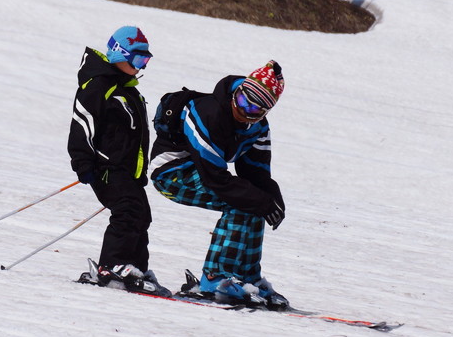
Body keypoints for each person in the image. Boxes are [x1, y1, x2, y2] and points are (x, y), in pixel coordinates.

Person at [149, 61, 290, 310]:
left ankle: (248, 278)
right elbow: (215, 178)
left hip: (204, 172)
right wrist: (259, 199)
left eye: (256, 109)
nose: (245, 111)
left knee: (253, 200)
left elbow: (254, 172)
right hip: (171, 172)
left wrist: (272, 198)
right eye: (245, 101)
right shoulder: (208, 113)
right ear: (238, 92)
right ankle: (215, 277)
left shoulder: (258, 127)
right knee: (239, 201)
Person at [67, 25, 169, 297]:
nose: (142, 65)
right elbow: (82, 124)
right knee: (126, 212)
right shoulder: (98, 84)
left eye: (146, 60)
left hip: (128, 173)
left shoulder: (128, 90)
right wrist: (83, 163)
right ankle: (112, 266)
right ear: (119, 55)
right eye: (138, 59)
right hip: (104, 169)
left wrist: (139, 172)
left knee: (141, 215)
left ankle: (135, 269)